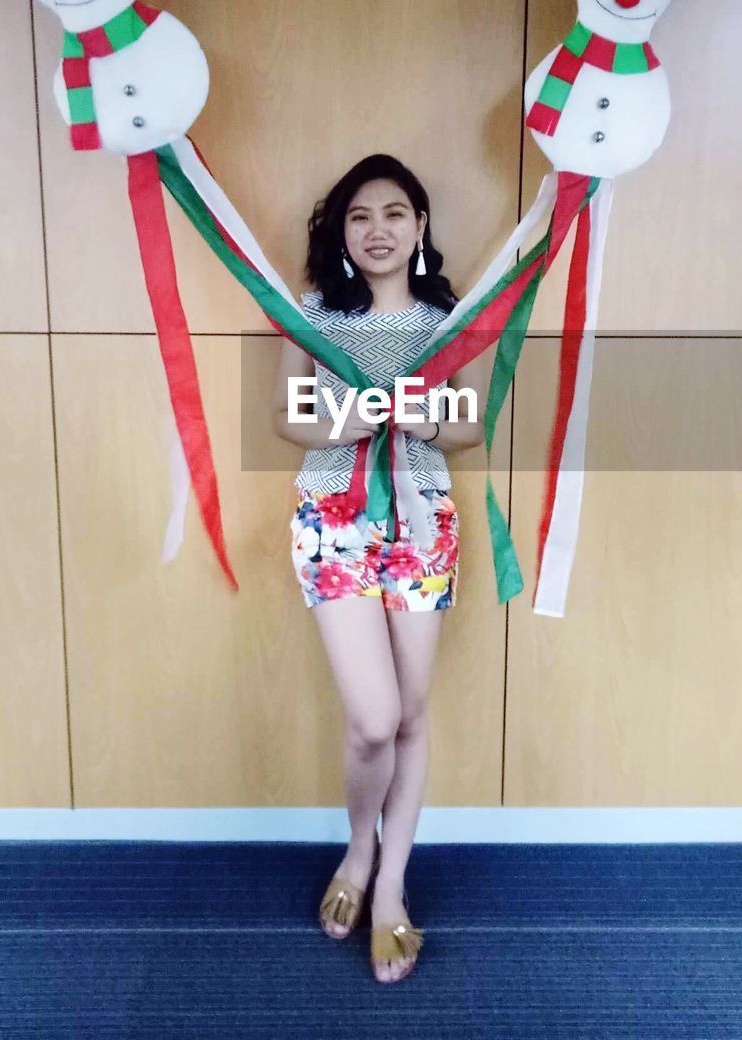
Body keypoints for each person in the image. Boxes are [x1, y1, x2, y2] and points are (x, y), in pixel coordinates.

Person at [273, 153, 488, 984]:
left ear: (421, 226)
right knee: (372, 716)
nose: (378, 230)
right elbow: (290, 418)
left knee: (409, 714)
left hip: (424, 519)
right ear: (341, 231)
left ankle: (390, 884)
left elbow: (470, 426)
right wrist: (352, 421)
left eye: (395, 213)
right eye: (360, 216)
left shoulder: (449, 315)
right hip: (333, 519)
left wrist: (424, 421)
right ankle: (357, 850)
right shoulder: (314, 312)